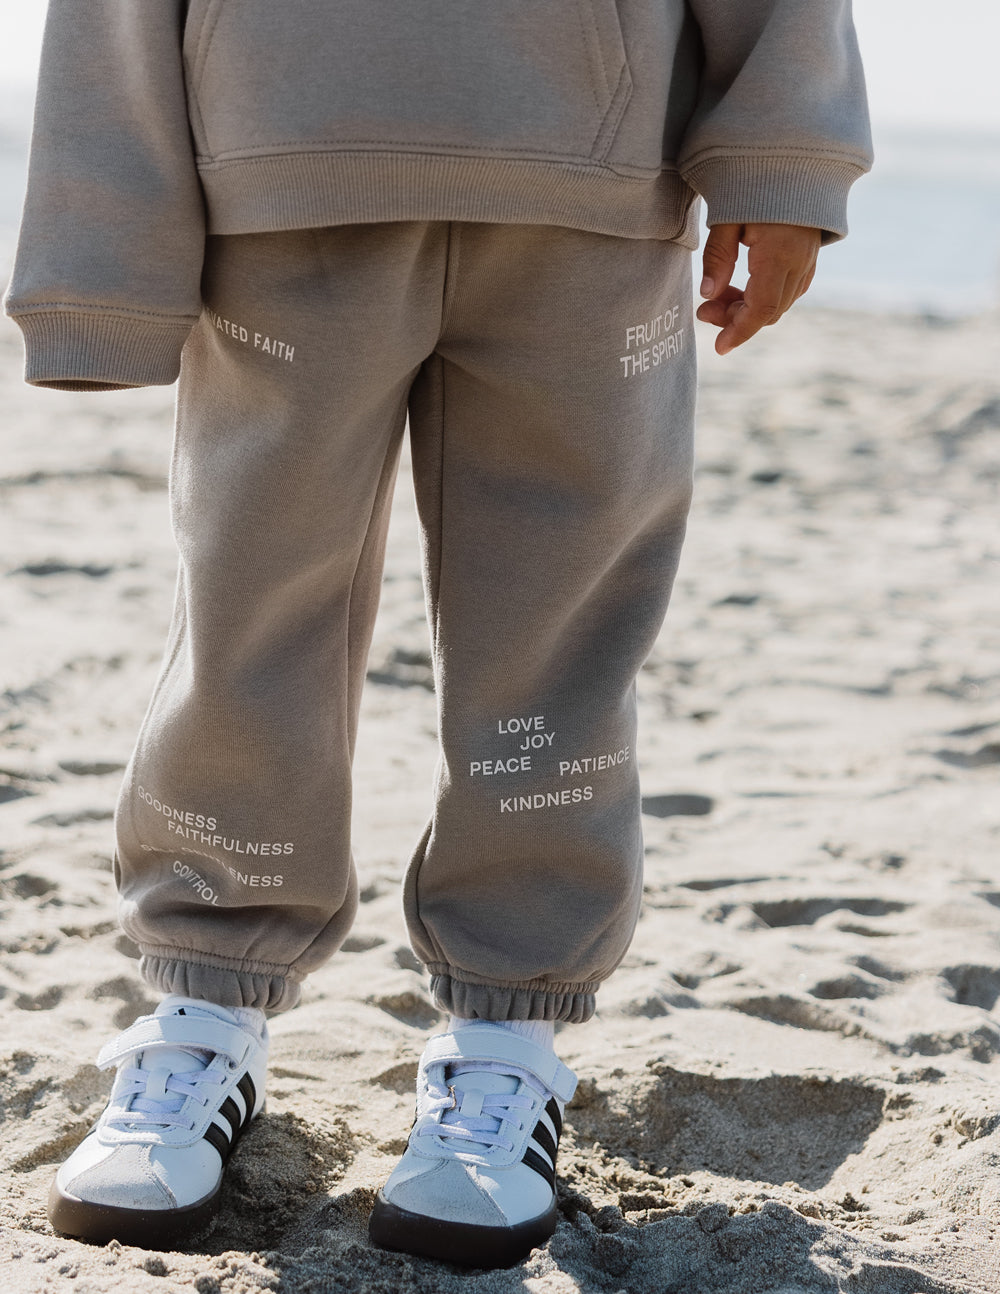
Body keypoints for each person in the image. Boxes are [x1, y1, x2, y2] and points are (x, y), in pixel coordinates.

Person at [4, 0, 872, 1268]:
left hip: (594, 190)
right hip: (280, 177)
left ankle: (507, 1044)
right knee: (251, 616)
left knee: (557, 641)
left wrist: (785, 153)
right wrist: (96, 261)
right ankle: (204, 1014)